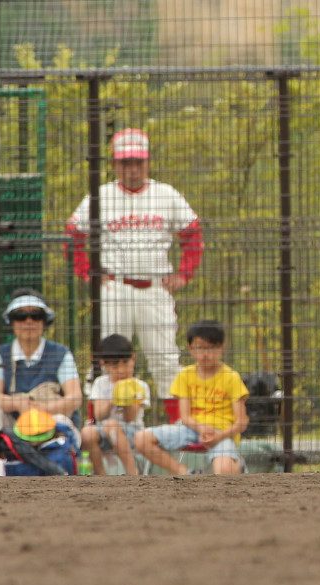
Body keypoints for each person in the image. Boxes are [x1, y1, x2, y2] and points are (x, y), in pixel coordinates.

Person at [65, 127, 204, 412]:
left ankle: (177, 433)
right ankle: (99, 428)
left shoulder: (165, 194)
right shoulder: (100, 196)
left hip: (155, 288)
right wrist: (87, 273)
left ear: (147, 162)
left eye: (137, 162)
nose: (132, 169)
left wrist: (184, 273)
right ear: (115, 164)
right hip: (115, 287)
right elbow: (73, 235)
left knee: (165, 358)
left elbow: (193, 233)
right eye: (125, 162)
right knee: (108, 359)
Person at [0, 288, 83, 476]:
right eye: (20, 316)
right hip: (14, 421)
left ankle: (58, 474)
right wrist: (18, 403)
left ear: (44, 321)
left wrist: (38, 409)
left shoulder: (61, 353)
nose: (28, 321)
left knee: (60, 421)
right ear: (11, 321)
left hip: (51, 419)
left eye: (36, 315)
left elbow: (74, 399)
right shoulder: (0, 353)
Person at [134, 320, 250, 475]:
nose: (205, 354)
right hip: (190, 429)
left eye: (211, 348)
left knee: (224, 472)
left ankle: (236, 465)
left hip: (221, 433)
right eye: (200, 348)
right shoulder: (185, 375)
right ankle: (186, 473)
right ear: (190, 348)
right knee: (141, 439)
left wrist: (217, 436)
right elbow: (185, 416)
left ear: (222, 348)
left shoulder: (232, 378)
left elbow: (241, 422)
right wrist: (201, 428)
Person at [80, 334, 151, 476]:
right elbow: (99, 415)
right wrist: (114, 398)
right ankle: (100, 475)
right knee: (87, 432)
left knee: (112, 425)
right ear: (104, 364)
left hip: (133, 432)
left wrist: (125, 399)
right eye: (114, 365)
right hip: (104, 432)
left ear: (133, 358)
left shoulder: (140, 386)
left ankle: (133, 474)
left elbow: (130, 418)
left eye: (125, 362)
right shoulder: (100, 383)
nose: (121, 370)